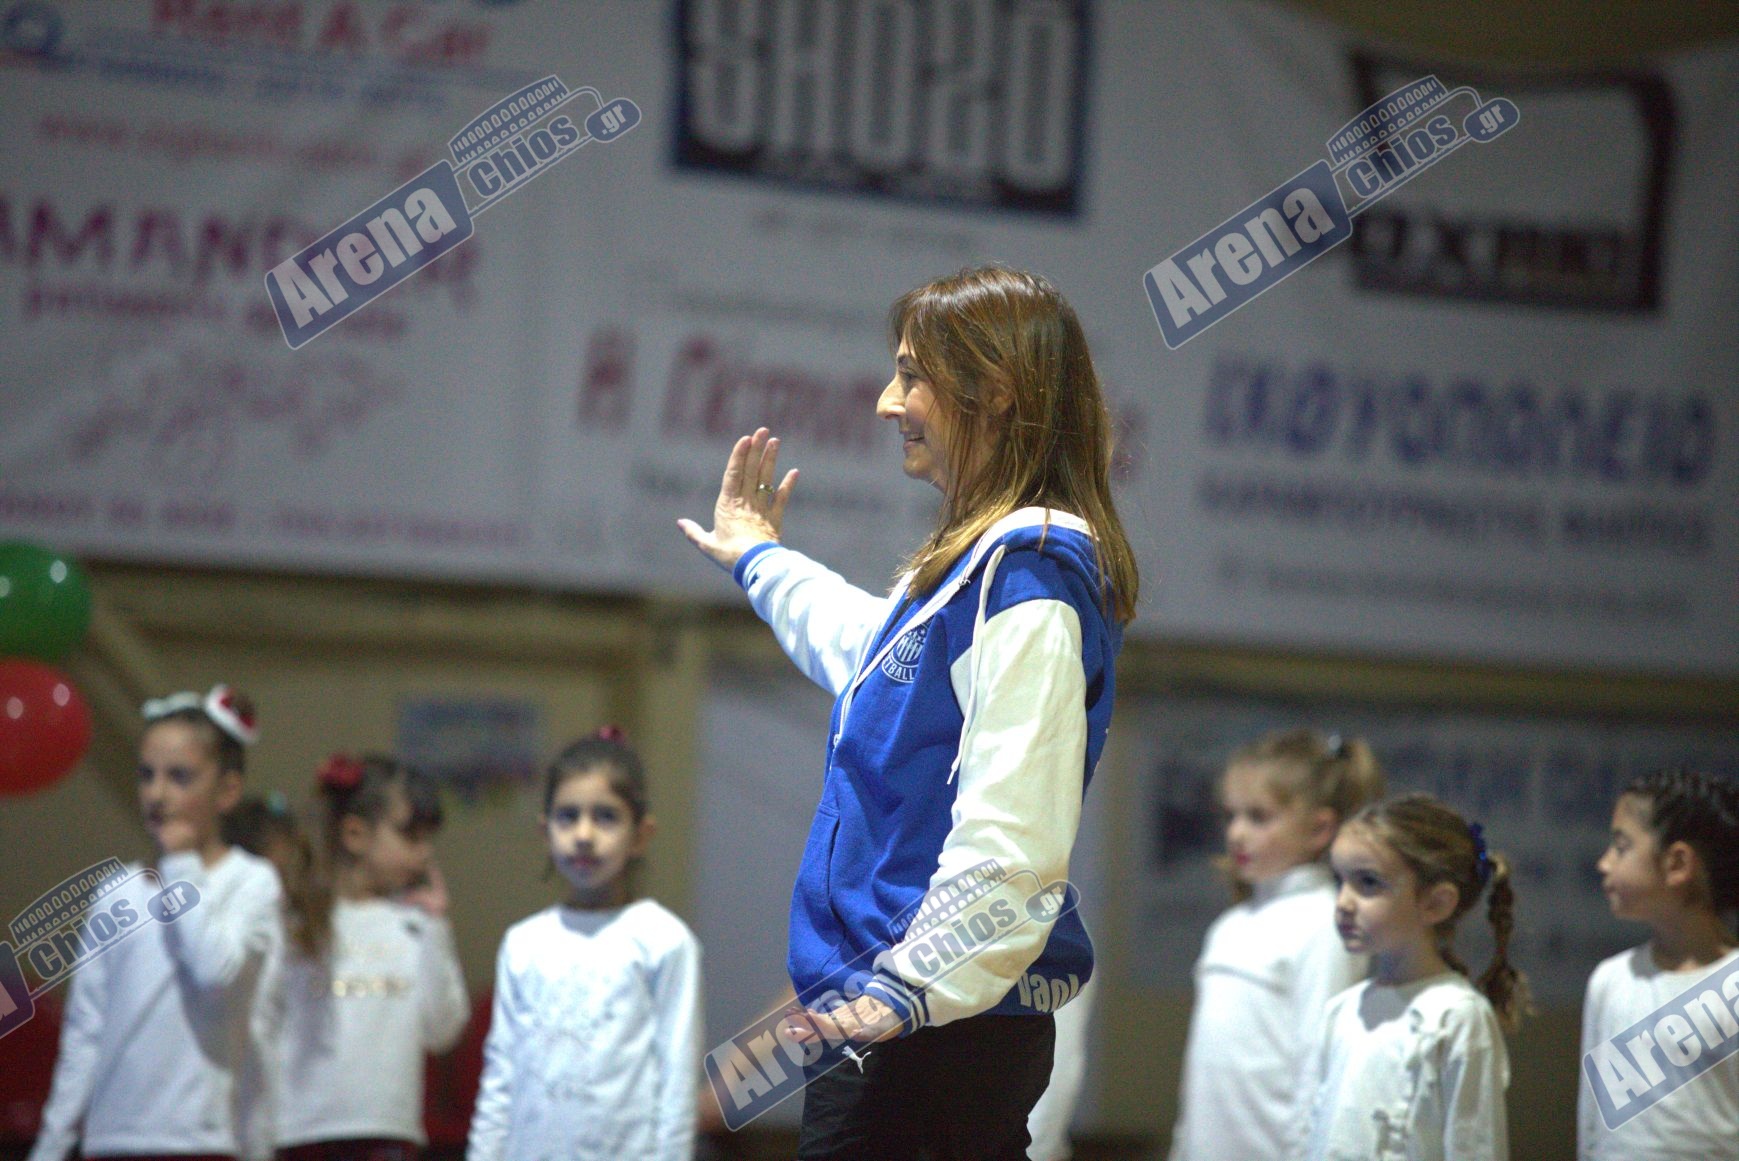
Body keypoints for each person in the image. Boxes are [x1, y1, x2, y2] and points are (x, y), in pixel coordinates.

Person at [678, 264, 1139, 1159]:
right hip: (901, 1020)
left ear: (993, 391)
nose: (888, 402)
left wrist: (911, 988)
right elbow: (870, 654)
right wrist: (760, 559)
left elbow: (1015, 821)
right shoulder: (981, 568)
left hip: (931, 1032)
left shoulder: (1031, 574)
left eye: (910, 375)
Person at [30, 685, 283, 1161]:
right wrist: (51, 1146)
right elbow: (86, 1029)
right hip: (112, 1140)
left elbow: (215, 975)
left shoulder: (251, 882)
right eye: (147, 775)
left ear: (227, 790)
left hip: (202, 1142)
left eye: (179, 777)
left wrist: (181, 865)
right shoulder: (117, 890)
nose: (157, 794)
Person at [466, 729, 702, 1161]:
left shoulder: (664, 940)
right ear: (545, 832)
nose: (584, 834)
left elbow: (677, 1078)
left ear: (641, 834)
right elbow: (500, 1073)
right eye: (568, 816)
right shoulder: (523, 943)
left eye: (606, 817)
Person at [1169, 730, 1385, 1161]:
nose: (1237, 833)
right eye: (1231, 815)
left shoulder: (1325, 924)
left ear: (1319, 828)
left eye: (1258, 817)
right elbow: (1201, 1083)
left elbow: (1318, 1075)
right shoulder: (1229, 926)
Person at [1293, 793, 1528, 1161]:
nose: (1343, 903)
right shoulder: (1342, 1011)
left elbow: (1475, 1147)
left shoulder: (1457, 1016)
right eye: (1340, 881)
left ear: (1435, 903)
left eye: (1368, 883)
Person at [269, 754, 468, 1161]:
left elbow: (443, 1031)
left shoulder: (415, 925)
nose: (425, 854)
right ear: (355, 834)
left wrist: (437, 929)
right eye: (410, 837)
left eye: (428, 839)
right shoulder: (297, 921)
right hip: (301, 1129)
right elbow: (264, 1023)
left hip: (387, 1130)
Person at [1579, 767, 1739, 1160]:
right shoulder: (1609, 980)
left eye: (1621, 846)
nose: (1604, 863)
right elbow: (1591, 1122)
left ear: (1677, 863)